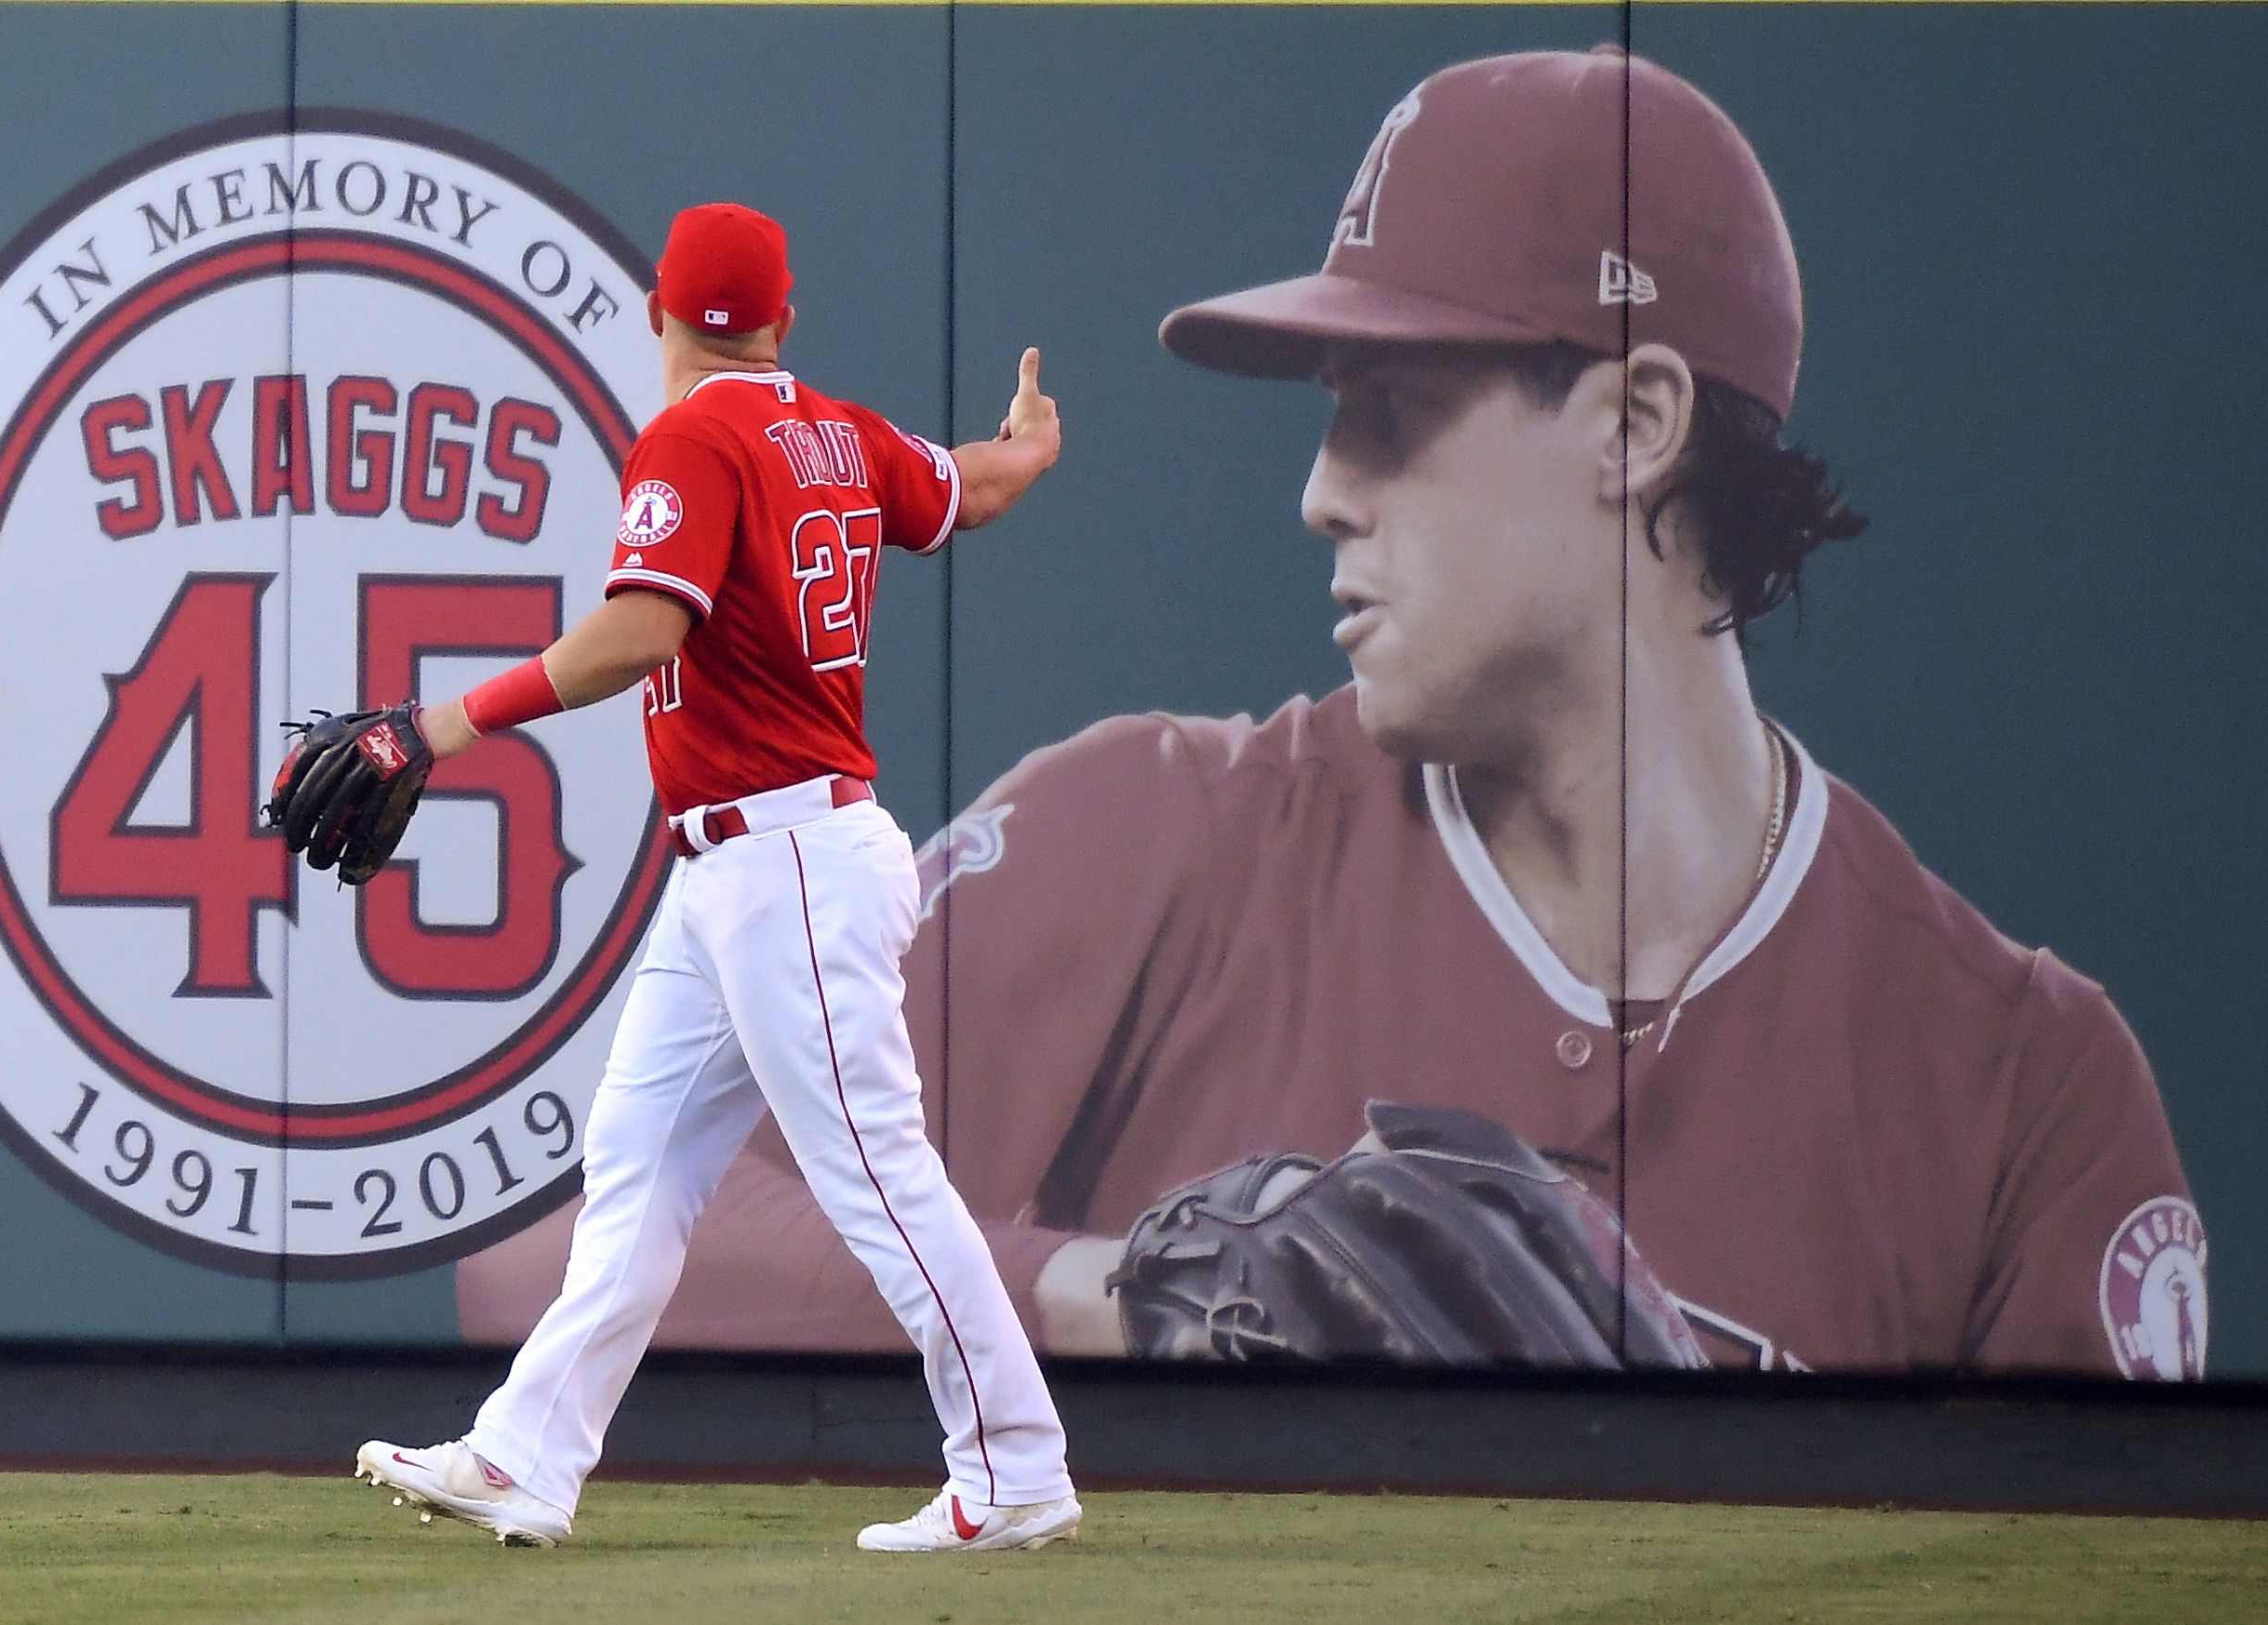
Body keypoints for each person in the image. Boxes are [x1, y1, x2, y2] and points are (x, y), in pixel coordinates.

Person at [457, 51, 2206, 1380]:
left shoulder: (2024, 1092)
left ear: (1632, 422)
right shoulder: (1155, 835)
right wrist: (1127, 1290)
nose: (1319, 494)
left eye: (1388, 410)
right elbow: (548, 1265)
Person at [357, 202, 1084, 1552]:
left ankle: (1017, 1462)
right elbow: (968, 487)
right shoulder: (839, 429)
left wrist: (444, 724)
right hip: (742, 870)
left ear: (660, 315)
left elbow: (641, 630)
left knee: (876, 1173)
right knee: (634, 1161)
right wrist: (1030, 444)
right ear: (781, 320)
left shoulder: (694, 434)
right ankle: (525, 1454)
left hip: (787, 862)